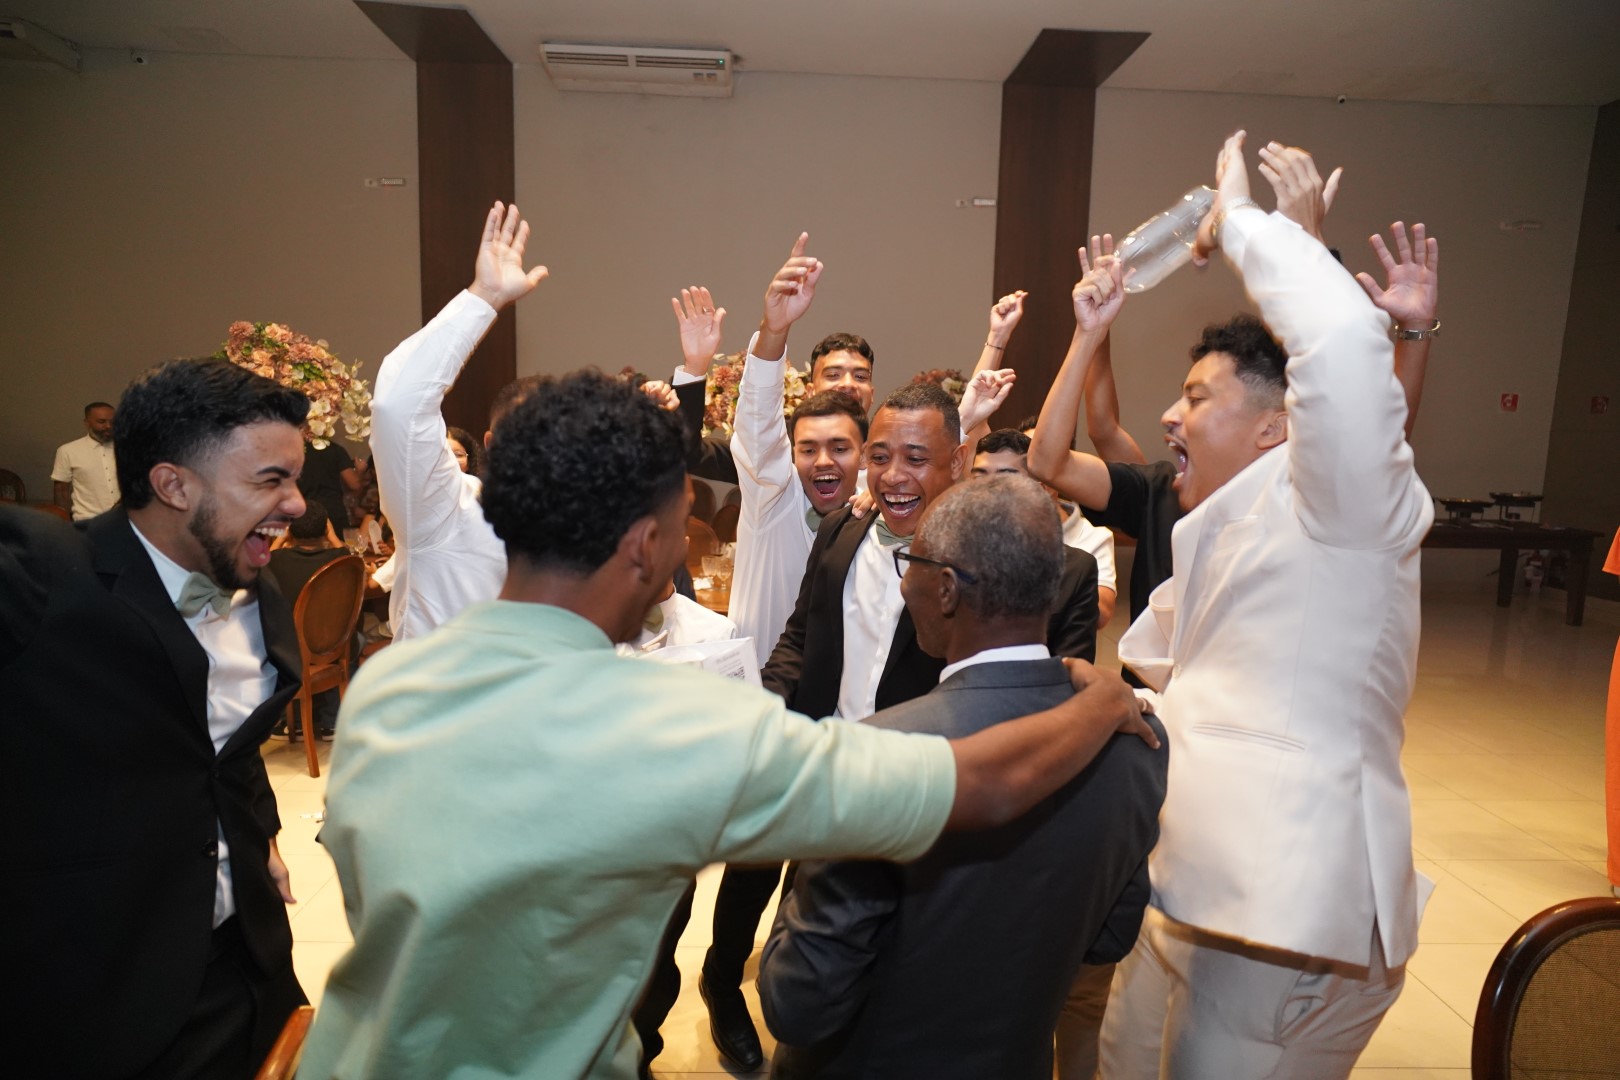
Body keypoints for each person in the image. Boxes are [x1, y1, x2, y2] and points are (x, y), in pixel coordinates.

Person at [297, 369, 1154, 1080]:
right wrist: (1102, 701)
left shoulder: (386, 687)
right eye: (683, 525)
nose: (683, 549)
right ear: (645, 544)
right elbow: (981, 785)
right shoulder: (674, 726)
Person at [1072, 133, 1435, 1079]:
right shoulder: (1219, 524)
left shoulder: (1343, 513)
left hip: (1282, 910)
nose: (1167, 416)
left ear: (1279, 427)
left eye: (1196, 398)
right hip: (1190, 880)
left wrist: (1243, 222)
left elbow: (1343, 351)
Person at [757, 475, 1168, 1080]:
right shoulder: (1134, 741)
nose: (904, 583)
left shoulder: (874, 753)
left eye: (912, 564)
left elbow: (798, 1004)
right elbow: (1108, 939)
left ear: (946, 588)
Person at [2, 358, 310, 1079]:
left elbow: (221, 742)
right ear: (173, 485)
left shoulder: (252, 585)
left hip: (249, 961)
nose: (297, 503)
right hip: (101, 992)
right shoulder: (47, 575)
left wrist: (258, 829)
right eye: (270, 480)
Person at [369, 200, 548, 641]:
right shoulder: (447, 509)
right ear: (491, 443)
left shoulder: (585, 526)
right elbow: (399, 404)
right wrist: (484, 299)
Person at [972, 427, 1118, 628]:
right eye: (980, 478)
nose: (991, 490)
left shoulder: (1088, 544)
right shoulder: (966, 533)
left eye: (1006, 479)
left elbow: (1100, 614)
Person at [51, 399, 120, 520]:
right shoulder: (68, 451)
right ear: (87, 423)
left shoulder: (127, 449)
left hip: (124, 521)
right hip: (87, 522)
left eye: (113, 422)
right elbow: (61, 491)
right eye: (101, 422)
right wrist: (65, 522)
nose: (108, 426)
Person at [298, 437, 359, 533]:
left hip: (305, 512)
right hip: (333, 510)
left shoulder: (294, 451)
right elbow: (354, 484)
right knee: (338, 541)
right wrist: (361, 470)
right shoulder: (335, 449)